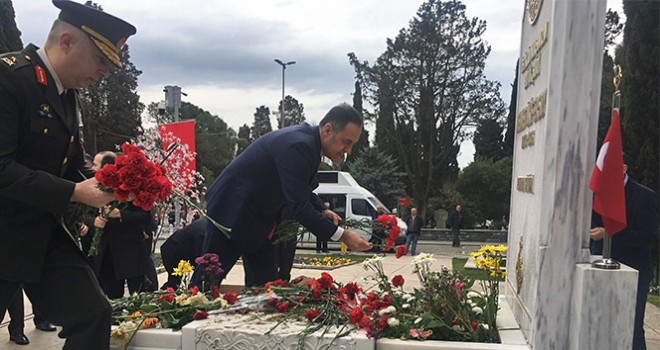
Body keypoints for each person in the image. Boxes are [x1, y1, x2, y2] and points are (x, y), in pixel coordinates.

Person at [0, 1, 136, 348]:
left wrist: (120, 183)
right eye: (101, 60)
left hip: (41, 234)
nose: (105, 72)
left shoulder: (66, 94)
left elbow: (74, 165)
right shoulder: (9, 79)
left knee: (93, 314)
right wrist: (76, 193)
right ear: (66, 41)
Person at [198, 103, 371, 288]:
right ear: (328, 130)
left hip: (259, 222)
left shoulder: (308, 144)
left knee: (265, 292)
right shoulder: (299, 146)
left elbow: (298, 187)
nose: (349, 151)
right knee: (204, 285)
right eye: (347, 142)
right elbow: (299, 207)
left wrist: (321, 209)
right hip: (231, 214)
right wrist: (343, 236)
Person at [590, 155, 658, 350]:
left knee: (631, 328)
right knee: (600, 326)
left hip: (634, 271)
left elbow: (649, 237)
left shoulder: (644, 196)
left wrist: (608, 234)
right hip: (600, 268)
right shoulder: (598, 193)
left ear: (623, 169)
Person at [160, 218, 208, 289]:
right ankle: (163, 296)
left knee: (174, 283)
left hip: (176, 250)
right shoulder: (203, 232)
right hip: (172, 251)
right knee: (174, 283)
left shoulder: (206, 225)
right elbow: (200, 260)